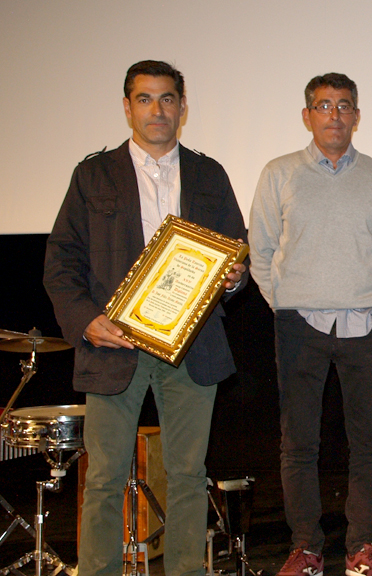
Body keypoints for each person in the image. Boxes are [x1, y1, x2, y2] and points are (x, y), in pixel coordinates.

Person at [43, 60, 247, 576]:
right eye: (145, 98)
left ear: (183, 107)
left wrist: (233, 277)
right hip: (113, 345)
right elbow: (61, 263)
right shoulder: (92, 175)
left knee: (188, 475)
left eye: (167, 98)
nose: (157, 109)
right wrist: (86, 320)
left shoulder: (209, 174)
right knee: (104, 477)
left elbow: (235, 251)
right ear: (127, 106)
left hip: (193, 345)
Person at [248, 73, 372, 576]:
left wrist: (371, 299)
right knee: (298, 443)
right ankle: (306, 549)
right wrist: (285, 302)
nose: (334, 115)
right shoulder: (279, 173)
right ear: (307, 116)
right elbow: (260, 249)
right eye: (323, 106)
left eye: (343, 106)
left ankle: (362, 547)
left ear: (356, 116)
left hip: (364, 325)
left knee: (369, 443)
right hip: (299, 325)